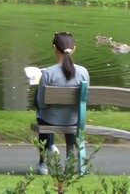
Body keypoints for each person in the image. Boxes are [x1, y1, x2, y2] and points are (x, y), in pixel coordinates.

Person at [34, 32, 89, 175]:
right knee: (71, 116)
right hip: (74, 120)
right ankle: (69, 162)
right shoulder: (83, 72)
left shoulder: (48, 73)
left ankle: (44, 163)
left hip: (50, 119)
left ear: (54, 48)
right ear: (74, 48)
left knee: (41, 115)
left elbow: (42, 103)